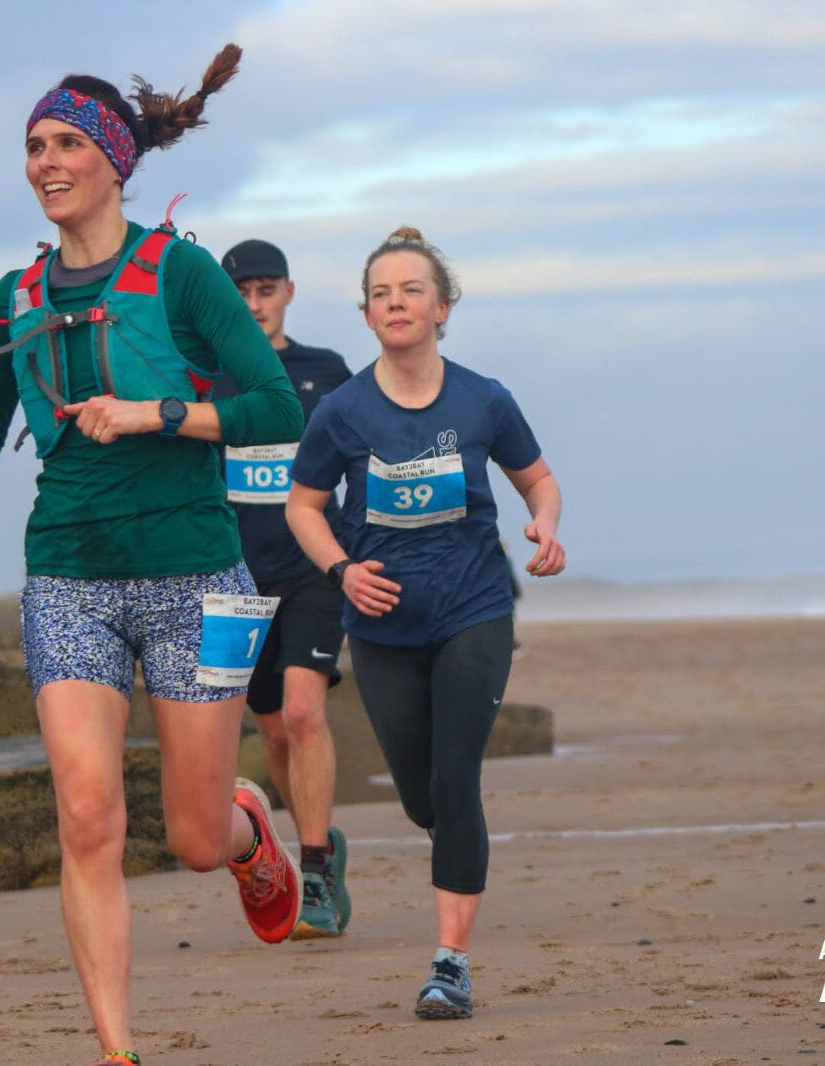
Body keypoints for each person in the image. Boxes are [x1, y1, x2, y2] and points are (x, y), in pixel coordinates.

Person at [0, 46, 307, 1066]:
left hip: (197, 574)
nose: (44, 162)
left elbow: (275, 408)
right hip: (68, 575)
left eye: (64, 144)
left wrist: (157, 413)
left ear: (114, 161)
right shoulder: (12, 294)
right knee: (87, 817)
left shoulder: (181, 272)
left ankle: (247, 828)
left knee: (192, 840)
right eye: (33, 146)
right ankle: (117, 1052)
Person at [283, 226, 566, 1020]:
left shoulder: (484, 399)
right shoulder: (342, 411)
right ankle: (457, 844)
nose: (396, 302)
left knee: (454, 777)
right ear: (367, 315)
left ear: (442, 308)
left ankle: (450, 963)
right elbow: (302, 506)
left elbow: (538, 481)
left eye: (412, 290)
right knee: (422, 799)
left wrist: (544, 524)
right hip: (381, 628)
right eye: (381, 293)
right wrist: (342, 570)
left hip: (474, 610)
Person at [215, 238, 353, 938]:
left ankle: (318, 868)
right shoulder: (203, 377)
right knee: (270, 729)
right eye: (240, 293)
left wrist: (353, 550)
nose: (253, 304)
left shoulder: (326, 371)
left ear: (289, 293)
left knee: (303, 714)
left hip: (312, 571)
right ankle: (313, 838)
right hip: (234, 578)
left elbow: (364, 458)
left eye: (266, 290)